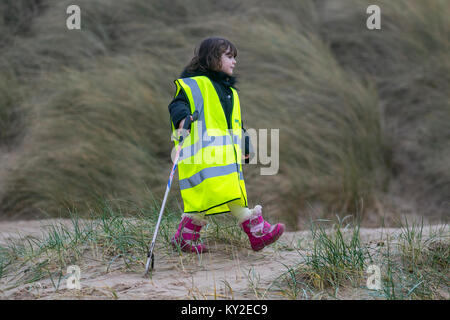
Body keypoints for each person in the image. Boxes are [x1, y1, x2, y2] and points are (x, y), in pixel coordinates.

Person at [168, 37, 284, 253]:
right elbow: (177, 104)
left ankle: (185, 236)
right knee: (226, 191)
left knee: (208, 196)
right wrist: (182, 119)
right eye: (229, 57)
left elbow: (236, 124)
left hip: (223, 156)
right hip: (201, 155)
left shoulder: (231, 92)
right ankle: (256, 230)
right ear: (213, 59)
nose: (234, 62)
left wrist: (246, 145)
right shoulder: (194, 85)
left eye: (235, 57)